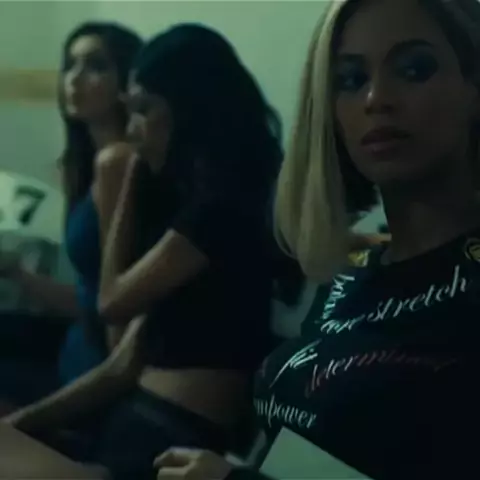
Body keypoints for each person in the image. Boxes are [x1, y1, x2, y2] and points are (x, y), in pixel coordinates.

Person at [154, 1, 480, 479]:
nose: (376, 98)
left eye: (414, 69)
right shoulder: (351, 275)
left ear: (474, 88)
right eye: (350, 80)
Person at [4, 23, 282, 480]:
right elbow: (121, 365)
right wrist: (21, 424)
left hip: (173, 430)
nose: (132, 129)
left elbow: (112, 302)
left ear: (188, 112)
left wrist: (128, 176)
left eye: (143, 110)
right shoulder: (196, 206)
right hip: (138, 414)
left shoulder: (220, 213)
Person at [0, 22, 142, 413]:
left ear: (127, 81)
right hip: (76, 342)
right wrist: (18, 274)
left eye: (95, 66)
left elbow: (113, 310)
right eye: (70, 65)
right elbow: (89, 298)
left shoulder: (121, 163)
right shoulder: (82, 166)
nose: (74, 79)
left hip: (97, 360)